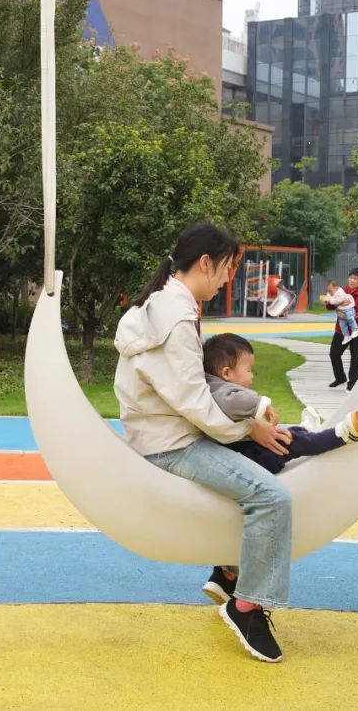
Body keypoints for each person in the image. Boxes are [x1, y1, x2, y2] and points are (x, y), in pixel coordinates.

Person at [113, 223, 294, 663]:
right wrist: (249, 429)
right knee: (271, 498)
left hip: (161, 431)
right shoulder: (176, 317)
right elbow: (194, 401)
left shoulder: (166, 304)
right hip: (171, 443)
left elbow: (191, 388)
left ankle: (228, 573)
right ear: (206, 263)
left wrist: (250, 412)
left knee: (258, 467)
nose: (229, 278)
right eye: (228, 268)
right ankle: (247, 606)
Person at [198, 331, 358, 609]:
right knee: (290, 442)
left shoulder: (204, 387)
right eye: (248, 370)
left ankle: (224, 575)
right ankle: (341, 435)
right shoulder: (220, 390)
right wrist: (262, 404)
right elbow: (235, 401)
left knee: (284, 438)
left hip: (236, 454)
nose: (252, 376)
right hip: (248, 459)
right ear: (227, 373)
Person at [325, 268, 358, 390]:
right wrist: (328, 302)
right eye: (350, 277)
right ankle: (340, 378)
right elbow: (332, 305)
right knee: (334, 354)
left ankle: (352, 385)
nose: (352, 280)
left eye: (355, 278)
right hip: (341, 330)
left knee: (355, 359)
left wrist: (351, 317)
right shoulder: (342, 290)